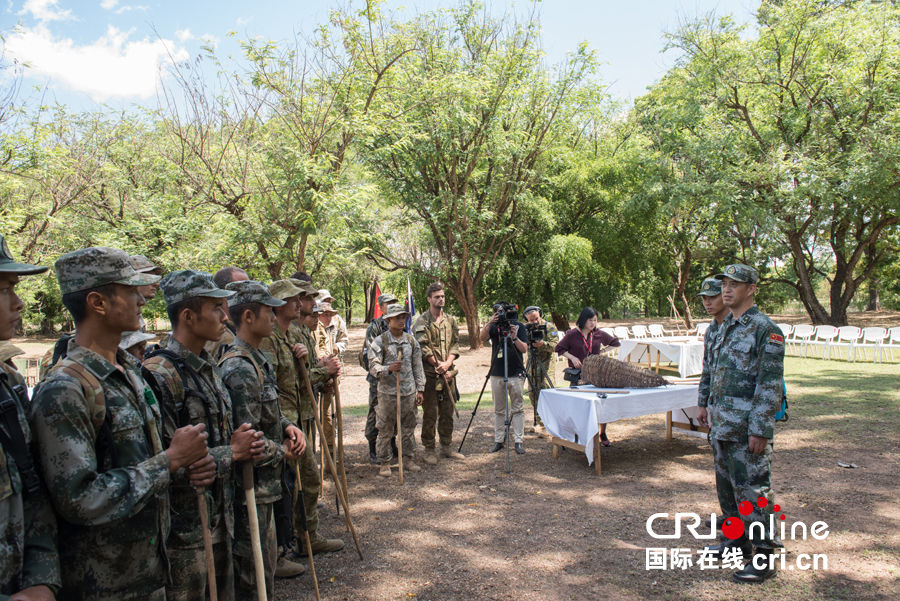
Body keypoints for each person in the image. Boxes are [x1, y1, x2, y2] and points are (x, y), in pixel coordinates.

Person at [30, 247, 210, 600]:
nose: (141, 299)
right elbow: (80, 499)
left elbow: (141, 460)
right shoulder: (65, 388)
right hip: (104, 586)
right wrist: (170, 460)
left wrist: (185, 465)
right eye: (130, 290)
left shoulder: (130, 372)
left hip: (149, 572)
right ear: (98, 303)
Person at [142, 270, 273, 599]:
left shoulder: (207, 367)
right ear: (188, 316)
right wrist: (232, 453)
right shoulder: (161, 375)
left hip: (219, 520)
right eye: (215, 308)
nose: (224, 316)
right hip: (184, 536)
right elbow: (162, 463)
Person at [696, 264, 785, 584]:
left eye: (735, 284)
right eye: (725, 284)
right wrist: (705, 403)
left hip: (747, 428)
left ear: (751, 289)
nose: (726, 290)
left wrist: (760, 429)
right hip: (722, 424)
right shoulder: (723, 327)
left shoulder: (765, 329)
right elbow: (712, 370)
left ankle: (765, 557)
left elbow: (770, 385)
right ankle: (737, 541)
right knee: (727, 489)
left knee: (754, 491)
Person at [219, 280, 307, 598]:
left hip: (266, 489)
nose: (273, 317)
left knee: (264, 574)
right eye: (268, 311)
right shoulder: (239, 367)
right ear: (247, 317)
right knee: (253, 581)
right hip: (250, 493)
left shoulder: (256, 359)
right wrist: (282, 451)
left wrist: (287, 426)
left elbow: (267, 413)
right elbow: (250, 440)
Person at [260, 279, 343, 559]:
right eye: (293, 299)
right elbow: (271, 387)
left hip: (296, 419)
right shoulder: (270, 338)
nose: (299, 303)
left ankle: (307, 537)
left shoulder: (289, 336)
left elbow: (299, 379)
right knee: (291, 486)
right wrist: (321, 372)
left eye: (301, 298)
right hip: (283, 424)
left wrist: (316, 371)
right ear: (276, 304)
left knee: (305, 481)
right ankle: (289, 545)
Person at [0, 235, 61, 601]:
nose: (18, 303)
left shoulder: (7, 384)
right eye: (4, 290)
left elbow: (31, 491)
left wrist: (41, 581)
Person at [368, 304, 425, 477]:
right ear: (388, 320)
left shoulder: (411, 341)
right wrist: (389, 369)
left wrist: (420, 389)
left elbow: (418, 367)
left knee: (408, 428)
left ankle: (408, 459)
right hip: (387, 394)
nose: (401, 321)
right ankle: (384, 462)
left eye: (403, 317)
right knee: (385, 429)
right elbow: (373, 367)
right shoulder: (380, 342)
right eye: (397, 318)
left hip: (408, 393)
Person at [413, 282, 464, 465]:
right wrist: (438, 365)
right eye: (437, 297)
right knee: (430, 413)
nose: (441, 299)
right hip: (430, 376)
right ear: (429, 299)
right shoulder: (421, 321)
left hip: (448, 375)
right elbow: (423, 348)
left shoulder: (451, 320)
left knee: (447, 412)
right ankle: (429, 450)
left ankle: (446, 447)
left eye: (442, 296)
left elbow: (455, 344)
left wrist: (448, 364)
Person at [555, 307, 621, 446]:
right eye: (590, 320)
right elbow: (559, 348)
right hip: (578, 376)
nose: (593, 323)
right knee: (577, 406)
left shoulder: (598, 334)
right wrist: (572, 357)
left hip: (596, 374)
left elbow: (616, 343)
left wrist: (602, 351)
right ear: (583, 319)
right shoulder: (572, 334)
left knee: (601, 405)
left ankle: (602, 433)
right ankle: (579, 434)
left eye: (595, 320)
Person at [479, 301, 529, 455]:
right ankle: (499, 440)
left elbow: (524, 349)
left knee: (518, 409)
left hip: (515, 372)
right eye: (498, 312)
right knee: (499, 410)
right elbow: (481, 337)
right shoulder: (494, 327)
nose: (502, 315)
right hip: (497, 372)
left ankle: (518, 441)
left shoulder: (518, 326)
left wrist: (515, 337)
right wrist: (490, 323)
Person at [363, 293, 400, 463]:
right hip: (378, 378)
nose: (391, 305)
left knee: (393, 411)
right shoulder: (375, 327)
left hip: (394, 377)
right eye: (388, 303)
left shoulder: (398, 324)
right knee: (375, 411)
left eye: (393, 303)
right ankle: (372, 448)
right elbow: (372, 354)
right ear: (381, 307)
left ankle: (391, 443)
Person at [521, 306, 559, 439]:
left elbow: (556, 346)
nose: (535, 322)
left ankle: (549, 425)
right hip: (532, 364)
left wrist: (543, 344)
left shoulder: (549, 327)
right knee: (533, 393)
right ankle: (539, 422)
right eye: (531, 320)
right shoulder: (526, 328)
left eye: (536, 318)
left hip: (546, 365)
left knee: (547, 393)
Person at [204, 267, 250, 360]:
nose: (249, 294)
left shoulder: (237, 328)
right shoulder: (223, 337)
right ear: (226, 293)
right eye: (244, 289)